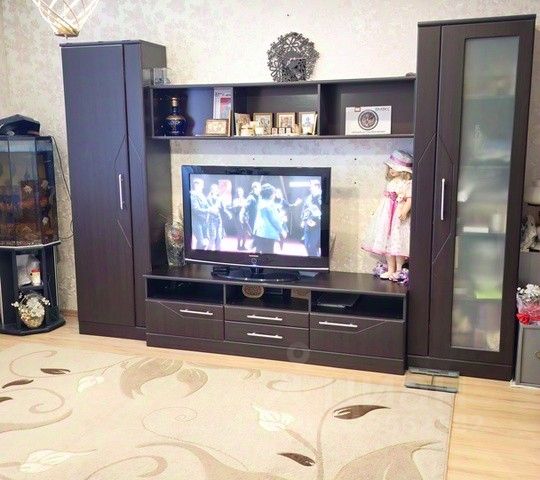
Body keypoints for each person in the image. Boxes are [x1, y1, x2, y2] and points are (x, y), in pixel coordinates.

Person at [362, 150, 413, 281]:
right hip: (387, 215)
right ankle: (390, 269)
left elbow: (409, 199)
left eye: (394, 168)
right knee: (386, 243)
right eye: (390, 168)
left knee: (398, 242)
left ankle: (399, 270)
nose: (391, 170)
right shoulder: (391, 182)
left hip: (398, 216)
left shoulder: (407, 183)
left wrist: (404, 211)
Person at [252, 183, 287, 254]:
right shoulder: (270, 205)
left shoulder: (261, 203)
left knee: (259, 253)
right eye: (274, 193)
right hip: (268, 234)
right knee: (268, 254)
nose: (274, 195)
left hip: (259, 232)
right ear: (271, 195)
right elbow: (274, 220)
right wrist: (282, 231)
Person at [207, 183, 231, 251]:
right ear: (211, 190)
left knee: (219, 237)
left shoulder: (219, 198)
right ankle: (207, 254)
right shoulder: (208, 198)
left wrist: (228, 213)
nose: (215, 190)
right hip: (211, 219)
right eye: (213, 189)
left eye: (216, 189)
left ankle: (218, 253)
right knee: (212, 237)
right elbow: (209, 209)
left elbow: (223, 208)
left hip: (218, 219)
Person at [301, 180, 322, 256]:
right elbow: (304, 210)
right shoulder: (308, 198)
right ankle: (313, 260)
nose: (309, 187)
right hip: (308, 225)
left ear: (317, 186)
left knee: (312, 246)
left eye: (311, 186)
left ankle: (316, 261)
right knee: (306, 246)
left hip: (318, 226)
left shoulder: (323, 198)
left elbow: (326, 215)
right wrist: (304, 220)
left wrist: (317, 222)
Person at [190, 178, 209, 249]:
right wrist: (209, 210)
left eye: (202, 185)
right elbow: (196, 209)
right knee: (201, 242)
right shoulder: (193, 195)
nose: (202, 187)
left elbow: (207, 205)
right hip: (196, 221)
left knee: (203, 242)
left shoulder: (202, 195)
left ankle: (198, 255)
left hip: (204, 220)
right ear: (195, 185)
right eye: (200, 185)